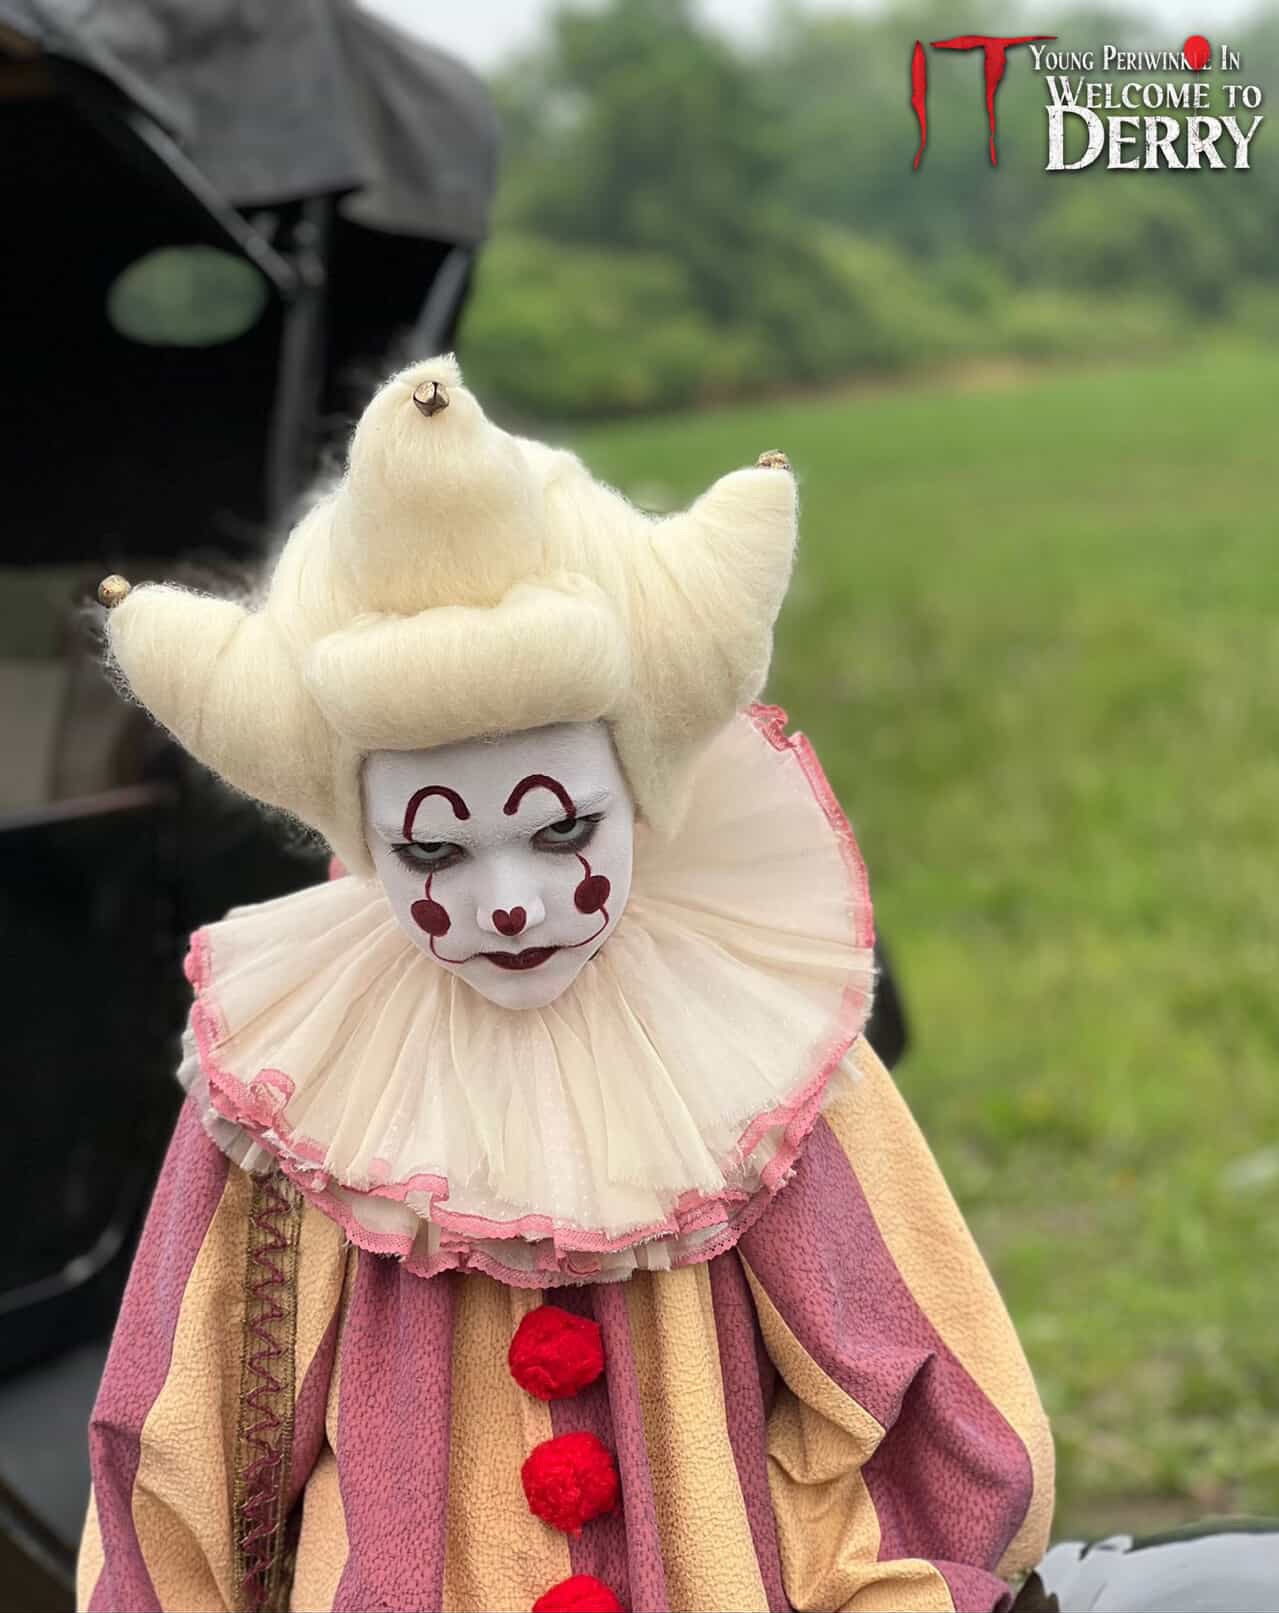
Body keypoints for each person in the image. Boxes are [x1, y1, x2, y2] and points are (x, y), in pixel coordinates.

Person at [79, 357, 1053, 1613]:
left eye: (561, 829)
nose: (509, 901)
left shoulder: (754, 1045)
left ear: (636, 796)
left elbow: (925, 1375)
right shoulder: (285, 1085)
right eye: (435, 850)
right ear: (368, 842)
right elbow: (189, 1428)